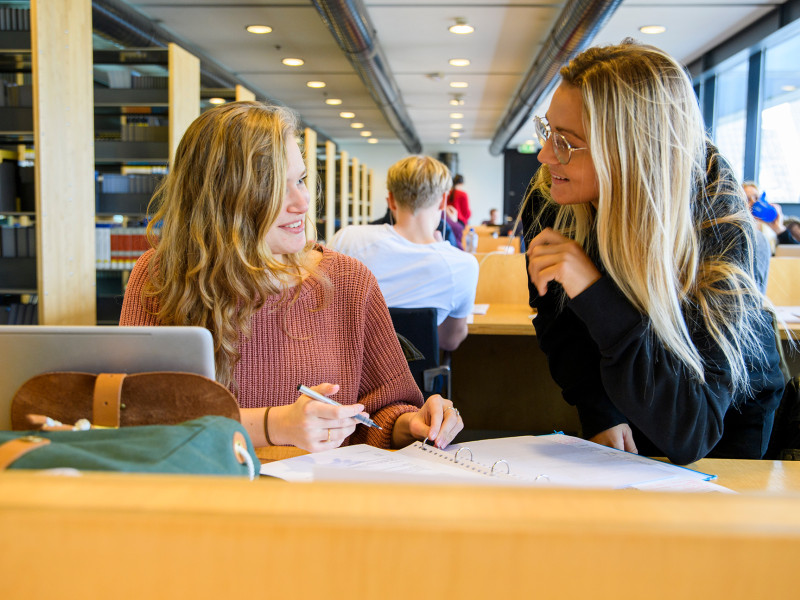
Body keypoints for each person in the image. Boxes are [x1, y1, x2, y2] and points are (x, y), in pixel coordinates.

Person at [119, 101, 463, 452]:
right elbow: (135, 415)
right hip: (205, 499)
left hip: (317, 499)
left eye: (299, 179)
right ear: (223, 199)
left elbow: (383, 412)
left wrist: (414, 424)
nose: (301, 202)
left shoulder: (348, 281)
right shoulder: (161, 274)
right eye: (275, 187)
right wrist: (274, 426)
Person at [520, 40, 784, 465]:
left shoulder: (715, 220)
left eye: (566, 142)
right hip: (624, 393)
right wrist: (598, 411)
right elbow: (558, 324)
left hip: (726, 419)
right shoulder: (553, 198)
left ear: (628, 154)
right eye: (547, 131)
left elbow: (692, 430)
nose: (545, 154)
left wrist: (592, 289)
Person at [330, 155, 479, 351]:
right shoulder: (463, 265)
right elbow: (448, 341)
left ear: (391, 200)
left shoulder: (347, 239)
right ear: (443, 201)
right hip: (414, 380)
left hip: (348, 376)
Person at [743, 181, 799, 247]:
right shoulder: (738, 228)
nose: (754, 202)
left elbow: (795, 252)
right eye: (747, 199)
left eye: (756, 198)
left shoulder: (774, 225)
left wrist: (778, 228)